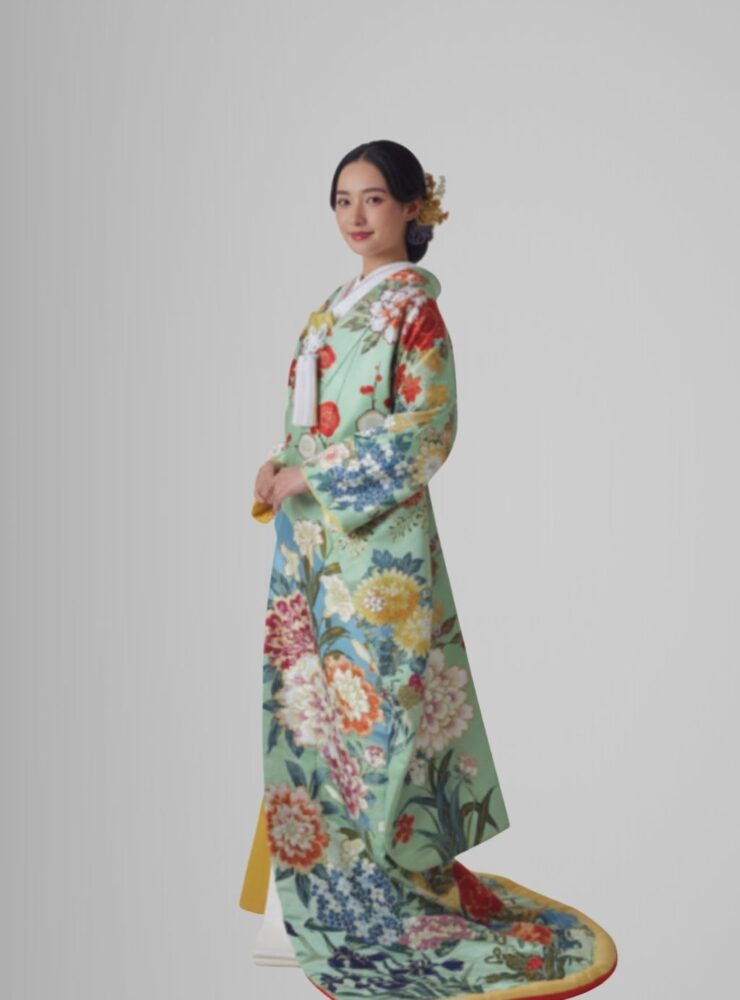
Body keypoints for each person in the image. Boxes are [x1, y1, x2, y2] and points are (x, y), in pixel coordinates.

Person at [239, 140, 618, 999]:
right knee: (310, 713)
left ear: (414, 208)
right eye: (343, 200)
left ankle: (383, 896)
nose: (356, 216)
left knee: (379, 718)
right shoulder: (331, 309)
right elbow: (308, 422)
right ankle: (311, 890)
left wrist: (315, 477)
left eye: (374, 199)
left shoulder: (414, 312)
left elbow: (424, 431)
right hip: (312, 545)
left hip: (378, 551)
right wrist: (277, 466)